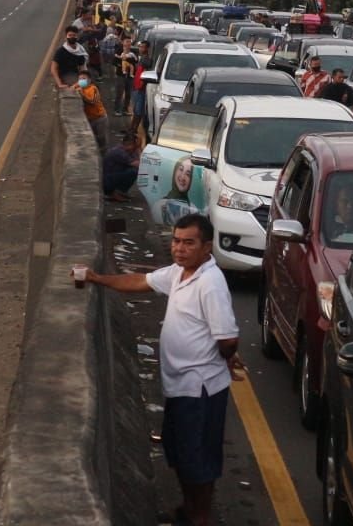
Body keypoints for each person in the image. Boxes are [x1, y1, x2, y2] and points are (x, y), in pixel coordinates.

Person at [84, 215, 244, 526]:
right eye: (176, 241)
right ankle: (189, 509)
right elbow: (140, 282)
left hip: (200, 387)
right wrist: (98, 279)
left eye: (188, 243)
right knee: (181, 452)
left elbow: (227, 338)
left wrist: (226, 357)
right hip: (180, 385)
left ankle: (199, 516)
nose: (179, 248)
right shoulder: (179, 273)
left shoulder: (210, 284)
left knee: (197, 458)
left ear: (206, 247)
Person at [74, 68, 108, 148]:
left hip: (99, 118)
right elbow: (71, 89)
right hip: (89, 118)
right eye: (80, 79)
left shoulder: (93, 88)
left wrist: (82, 95)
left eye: (84, 79)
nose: (81, 81)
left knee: (101, 137)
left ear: (89, 80)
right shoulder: (80, 87)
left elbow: (93, 101)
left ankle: (103, 151)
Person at [103, 134, 140, 202]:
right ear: (129, 144)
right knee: (134, 171)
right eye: (136, 145)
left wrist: (136, 150)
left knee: (134, 170)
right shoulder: (119, 152)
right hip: (107, 181)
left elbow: (137, 160)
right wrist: (138, 149)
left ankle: (120, 192)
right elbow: (137, 164)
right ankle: (114, 193)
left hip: (114, 176)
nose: (137, 147)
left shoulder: (129, 151)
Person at [130, 41, 152, 138]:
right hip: (136, 87)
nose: (140, 49)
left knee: (138, 111)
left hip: (140, 88)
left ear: (147, 49)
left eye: (143, 47)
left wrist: (140, 85)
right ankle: (132, 129)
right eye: (140, 47)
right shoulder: (141, 58)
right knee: (136, 110)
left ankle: (133, 129)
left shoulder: (146, 60)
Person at [114, 36, 137, 116]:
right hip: (121, 75)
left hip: (130, 76)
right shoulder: (119, 51)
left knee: (128, 94)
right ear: (122, 42)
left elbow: (135, 61)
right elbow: (114, 61)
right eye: (126, 41)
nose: (128, 43)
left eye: (129, 41)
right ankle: (117, 110)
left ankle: (125, 109)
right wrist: (121, 65)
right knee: (119, 93)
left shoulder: (133, 51)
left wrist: (126, 60)